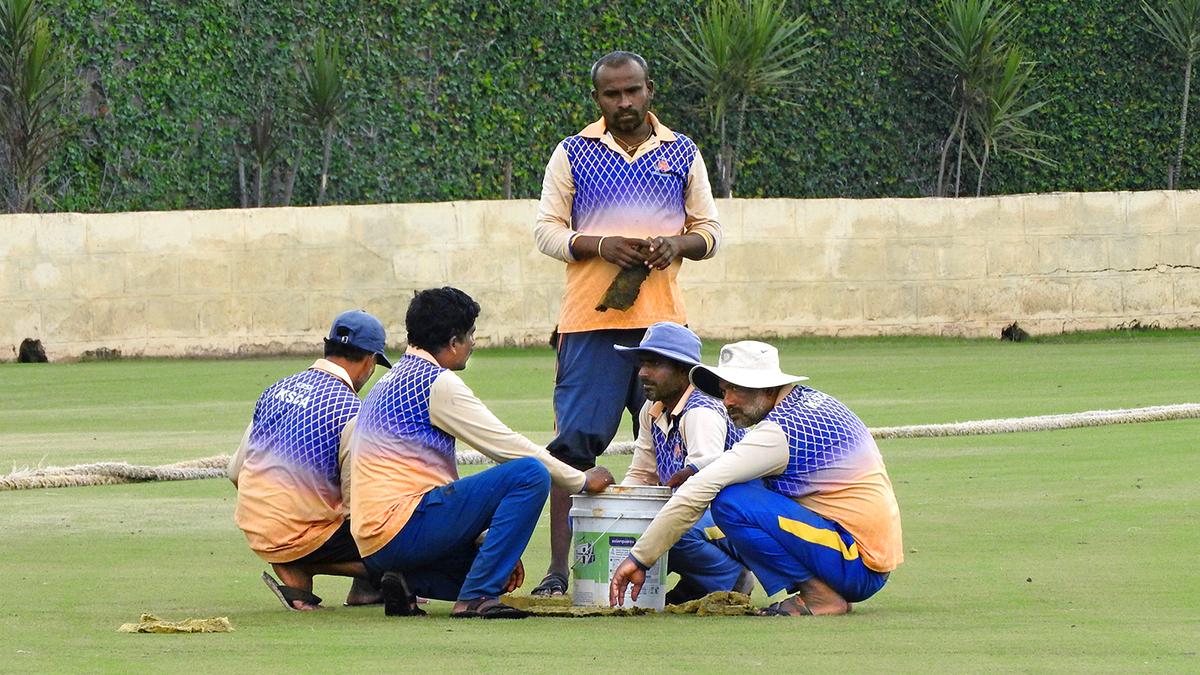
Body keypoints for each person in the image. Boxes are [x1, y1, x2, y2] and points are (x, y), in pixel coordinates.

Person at [531, 50, 723, 596]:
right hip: (588, 327)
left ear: (649, 90)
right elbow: (545, 232)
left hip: (664, 331)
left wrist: (675, 244)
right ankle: (557, 573)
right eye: (612, 94)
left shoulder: (682, 152)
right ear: (598, 99)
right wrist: (598, 245)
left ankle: (701, 572)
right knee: (572, 449)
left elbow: (709, 231)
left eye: (632, 91)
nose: (623, 103)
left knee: (681, 450)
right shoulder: (573, 152)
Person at [349, 287, 614, 619]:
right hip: (404, 528)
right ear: (453, 342)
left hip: (373, 547)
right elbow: (507, 446)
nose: (473, 343)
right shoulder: (436, 382)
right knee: (530, 473)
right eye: (470, 335)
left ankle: (407, 581)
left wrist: (490, 542)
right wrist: (581, 480)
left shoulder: (389, 380)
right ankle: (475, 597)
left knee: (498, 569)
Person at [609, 341, 904, 616]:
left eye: (738, 389)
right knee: (734, 491)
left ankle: (819, 597)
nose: (727, 401)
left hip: (857, 564)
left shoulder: (778, 433)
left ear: (767, 389)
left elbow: (700, 489)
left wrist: (639, 559)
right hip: (859, 555)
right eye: (725, 390)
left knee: (729, 501)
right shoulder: (810, 403)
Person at [229, 310, 391, 611]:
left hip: (256, 526)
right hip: (303, 532)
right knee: (404, 552)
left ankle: (295, 571)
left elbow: (235, 471)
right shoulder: (352, 410)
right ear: (370, 361)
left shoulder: (274, 390)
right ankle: (355, 574)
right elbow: (359, 506)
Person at [615, 321, 752, 604]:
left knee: (674, 529)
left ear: (682, 371)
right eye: (642, 363)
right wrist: (618, 510)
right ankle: (698, 581)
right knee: (635, 524)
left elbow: (705, 486)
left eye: (653, 364)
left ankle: (729, 578)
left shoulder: (701, 411)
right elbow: (641, 474)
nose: (642, 372)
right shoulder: (650, 410)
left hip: (737, 516)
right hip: (702, 512)